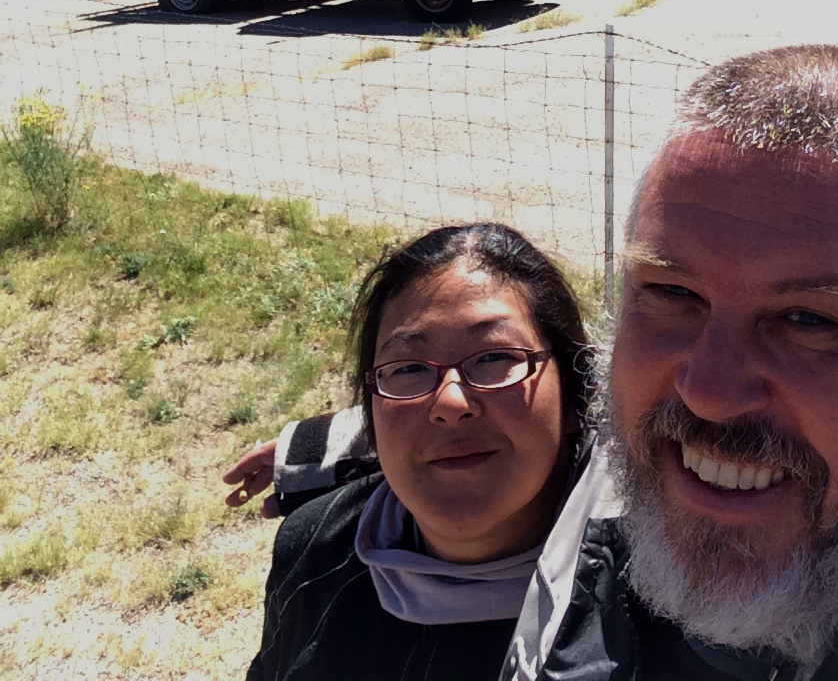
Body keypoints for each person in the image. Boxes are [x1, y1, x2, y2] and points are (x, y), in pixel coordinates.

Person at [230, 44, 838, 679]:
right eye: (672, 292)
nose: (705, 392)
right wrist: (321, 447)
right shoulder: (623, 502)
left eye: (810, 320)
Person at [243, 222, 590, 681]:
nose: (449, 403)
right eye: (407, 368)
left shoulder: (657, 610)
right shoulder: (315, 550)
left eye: (494, 357)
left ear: (573, 393)